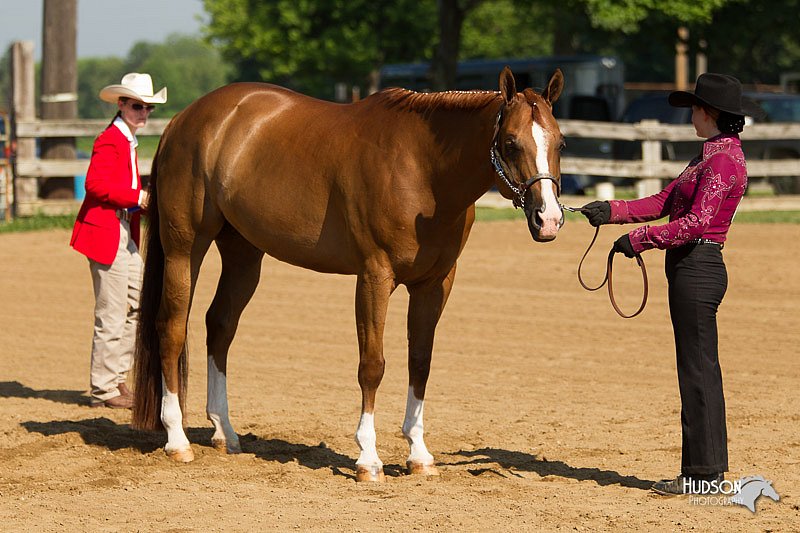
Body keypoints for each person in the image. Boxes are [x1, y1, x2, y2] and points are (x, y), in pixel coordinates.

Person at [581, 73, 763, 495]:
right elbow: (665, 201)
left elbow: (696, 222)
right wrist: (613, 210)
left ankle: (702, 475)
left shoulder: (719, 161)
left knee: (697, 371)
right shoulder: (710, 155)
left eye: (695, 109)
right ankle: (704, 469)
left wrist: (639, 240)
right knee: (698, 369)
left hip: (697, 267)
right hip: (691, 267)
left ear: (710, 113)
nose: (691, 117)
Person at [70, 73, 167, 409]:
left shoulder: (126, 139)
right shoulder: (110, 139)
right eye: (138, 106)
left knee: (139, 303)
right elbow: (95, 185)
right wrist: (138, 197)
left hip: (122, 231)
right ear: (122, 104)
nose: (144, 113)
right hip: (106, 230)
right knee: (111, 313)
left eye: (148, 108)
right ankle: (103, 389)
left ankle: (115, 379)